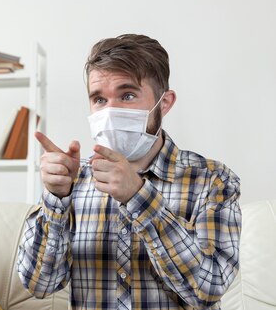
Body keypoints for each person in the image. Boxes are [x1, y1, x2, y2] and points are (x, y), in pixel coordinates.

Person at [17, 34, 241, 310]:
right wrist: (55, 199)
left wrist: (138, 196)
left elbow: (208, 289)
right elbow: (39, 284)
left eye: (128, 95)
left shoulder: (212, 180)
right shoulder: (74, 179)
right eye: (99, 99)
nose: (110, 111)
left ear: (165, 103)